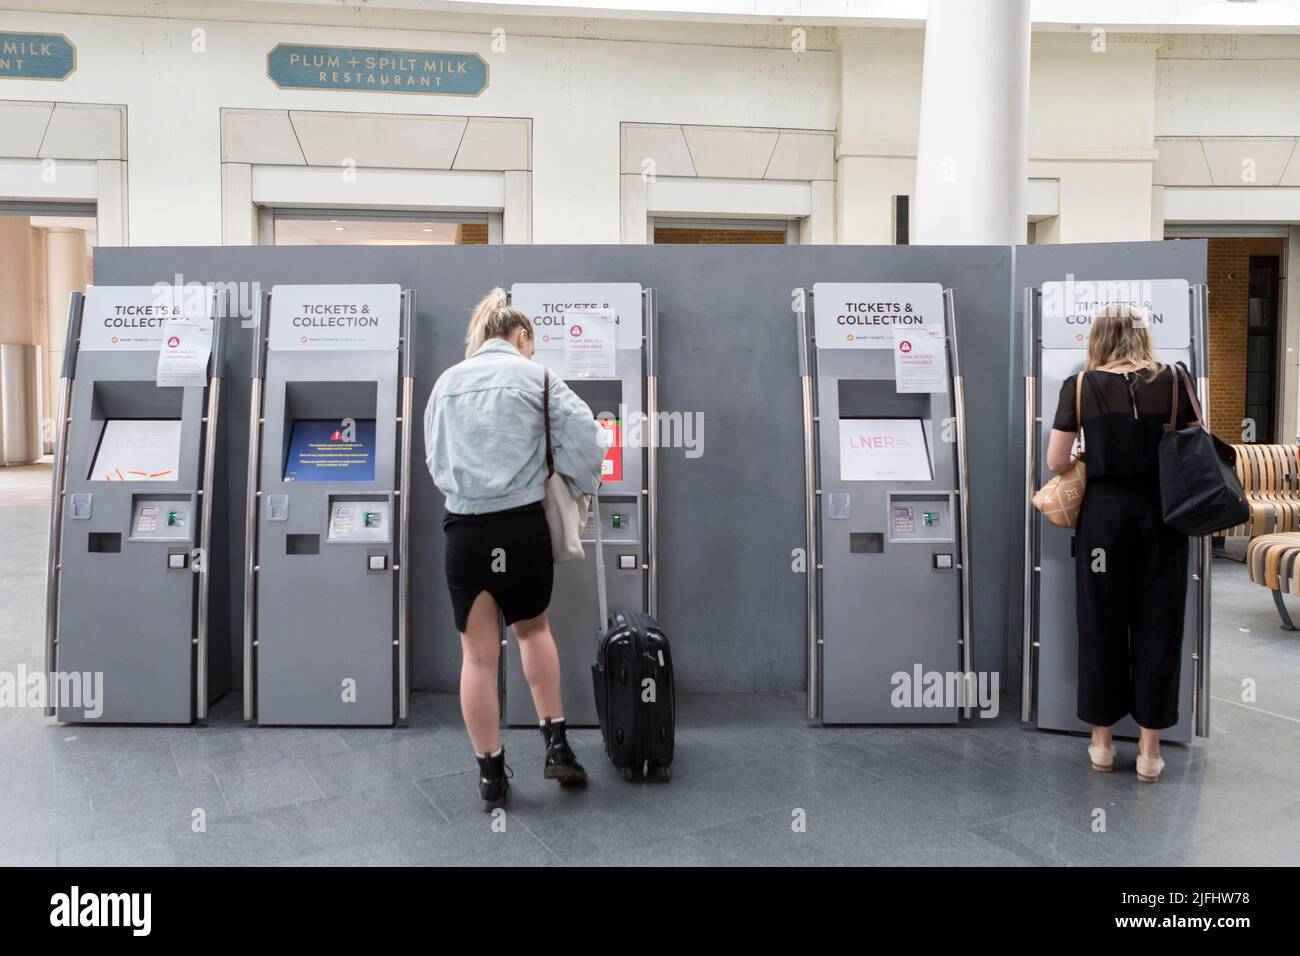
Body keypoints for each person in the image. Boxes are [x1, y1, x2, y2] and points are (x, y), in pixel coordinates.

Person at [424, 288, 607, 810]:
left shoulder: (446, 382)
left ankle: (490, 776)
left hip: (464, 531)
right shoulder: (537, 376)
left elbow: (435, 459)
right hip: (520, 528)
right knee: (533, 633)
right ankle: (557, 748)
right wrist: (568, 476)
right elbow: (591, 441)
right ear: (522, 336)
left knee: (477, 658)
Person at [1045, 303, 1196, 783]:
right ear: (1143, 334)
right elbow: (1196, 446)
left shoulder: (1082, 387)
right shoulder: (1175, 381)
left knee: (1100, 621)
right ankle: (1150, 751)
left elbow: (1054, 461)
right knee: (1160, 620)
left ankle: (1103, 744)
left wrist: (1094, 448)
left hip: (1105, 520)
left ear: (1098, 338)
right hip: (1164, 515)